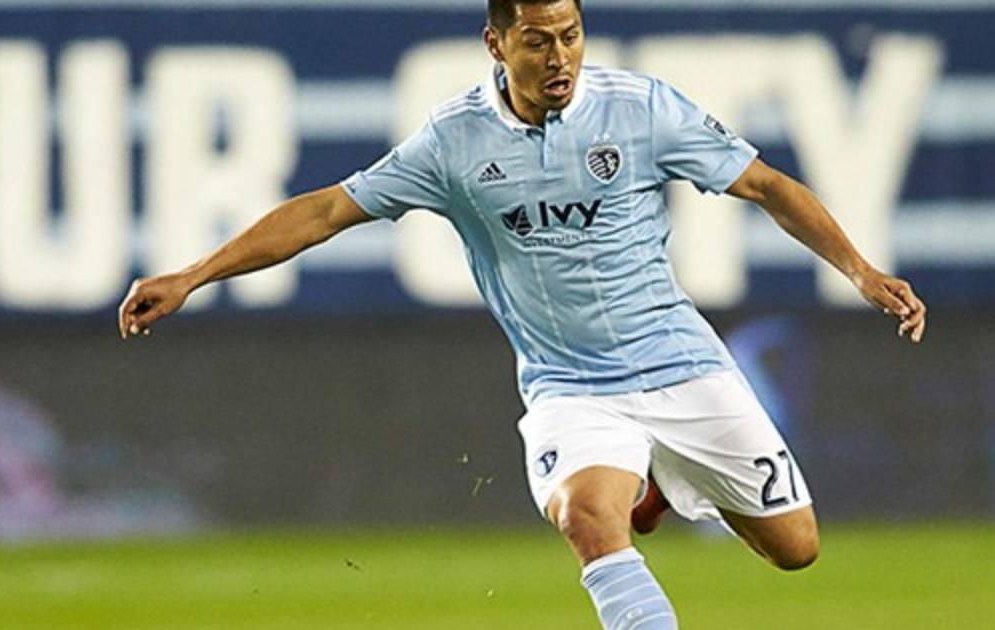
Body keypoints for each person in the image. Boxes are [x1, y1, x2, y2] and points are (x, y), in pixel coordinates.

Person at [118, 0, 927, 627]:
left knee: (796, 549)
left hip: (683, 365)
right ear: (496, 44)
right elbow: (327, 211)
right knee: (587, 517)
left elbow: (766, 185)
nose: (560, 57)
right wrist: (194, 275)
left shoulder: (640, 109)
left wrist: (859, 270)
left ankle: (650, 484)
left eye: (571, 36)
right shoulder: (453, 142)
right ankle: (626, 494)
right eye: (538, 41)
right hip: (570, 386)